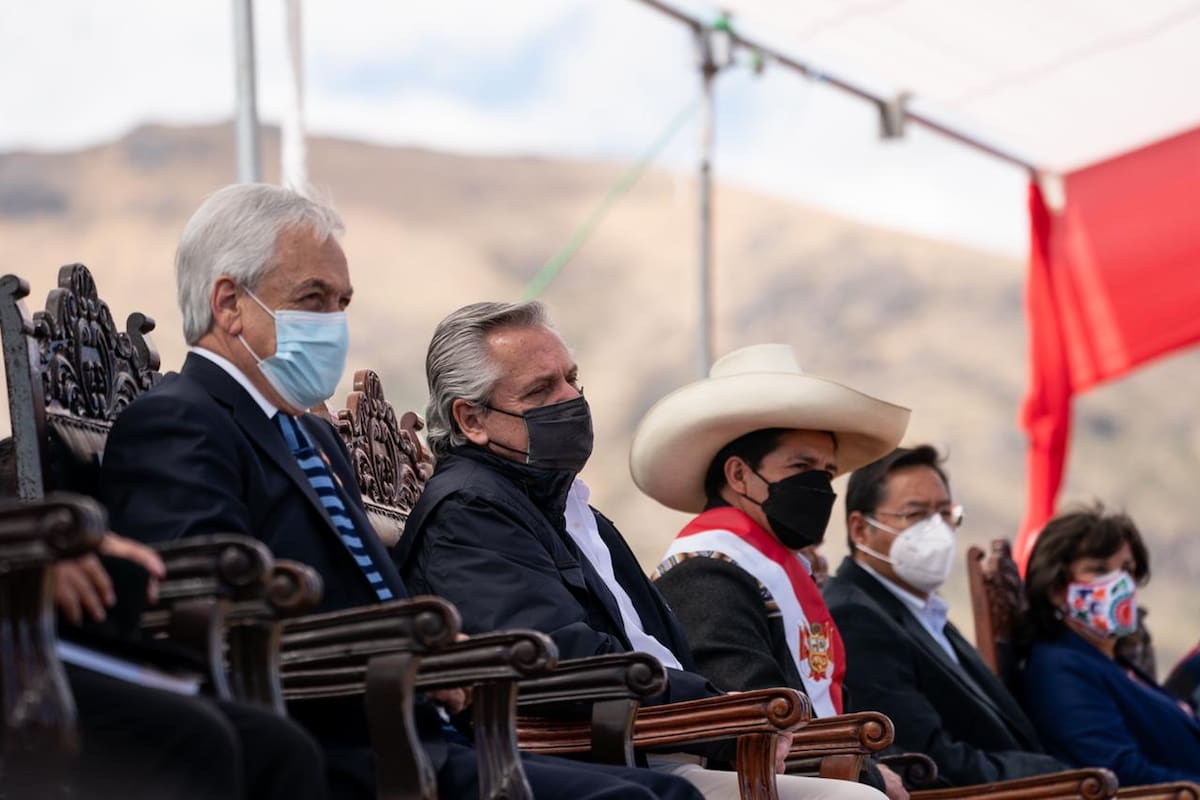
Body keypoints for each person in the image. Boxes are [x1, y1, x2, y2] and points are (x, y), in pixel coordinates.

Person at [98, 183, 703, 800]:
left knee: (668, 795)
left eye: (341, 302)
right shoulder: (181, 421)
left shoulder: (311, 438)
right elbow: (206, 621)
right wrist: (403, 653)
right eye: (313, 299)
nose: (333, 322)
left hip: (421, 735)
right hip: (323, 749)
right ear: (229, 303)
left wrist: (431, 650)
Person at [396, 302, 886, 800]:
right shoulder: (472, 510)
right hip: (600, 759)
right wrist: (716, 713)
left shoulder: (570, 510)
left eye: (572, 378)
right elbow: (554, 660)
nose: (571, 397)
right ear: (471, 418)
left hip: (654, 746)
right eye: (541, 389)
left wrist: (713, 713)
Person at [632, 344, 911, 799]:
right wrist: (872, 777)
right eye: (801, 467)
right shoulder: (705, 573)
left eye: (827, 471)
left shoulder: (775, 568)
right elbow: (758, 716)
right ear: (739, 476)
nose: (819, 486)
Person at [823, 446, 1070, 786]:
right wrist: (1055, 776)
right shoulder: (858, 617)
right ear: (861, 530)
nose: (936, 529)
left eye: (944, 513)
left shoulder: (922, 610)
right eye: (916, 515)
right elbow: (926, 759)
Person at [53, 530, 328, 800]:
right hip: (24, 653)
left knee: (279, 747)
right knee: (196, 734)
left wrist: (95, 541)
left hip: (78, 642)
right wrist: (29, 549)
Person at [1019, 506, 1200, 783]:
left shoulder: (1110, 660)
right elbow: (1120, 773)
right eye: (1098, 570)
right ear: (1056, 588)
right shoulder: (1059, 670)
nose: (1119, 584)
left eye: (1126, 570)